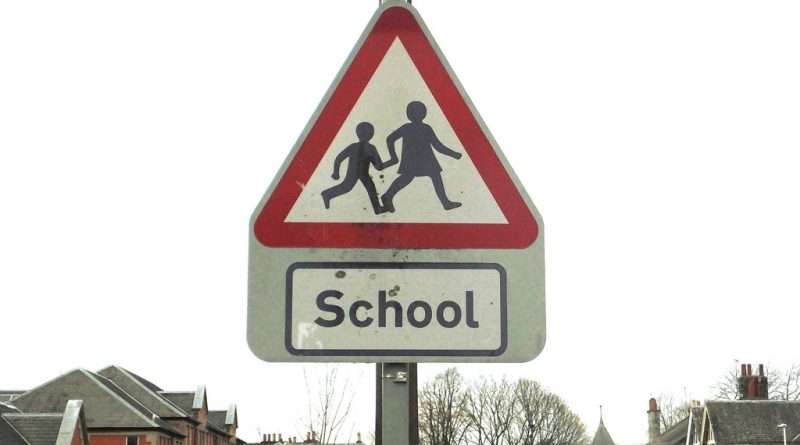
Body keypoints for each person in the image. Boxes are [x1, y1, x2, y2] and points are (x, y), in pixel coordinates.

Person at [381, 101, 462, 212]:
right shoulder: (409, 127)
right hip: (414, 160)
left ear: (424, 113)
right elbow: (390, 139)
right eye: (413, 112)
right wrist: (393, 157)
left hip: (425, 159)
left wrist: (453, 154)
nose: (416, 114)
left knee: (433, 175)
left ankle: (445, 203)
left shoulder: (425, 128)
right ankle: (387, 195)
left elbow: (437, 146)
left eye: (418, 112)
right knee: (409, 178)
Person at [321, 122, 386, 214]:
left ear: (357, 133)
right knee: (351, 187)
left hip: (359, 173)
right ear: (372, 134)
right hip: (356, 172)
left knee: (354, 187)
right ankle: (327, 194)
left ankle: (377, 208)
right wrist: (335, 172)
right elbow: (378, 166)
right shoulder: (370, 148)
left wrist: (336, 172)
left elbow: (339, 158)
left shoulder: (356, 147)